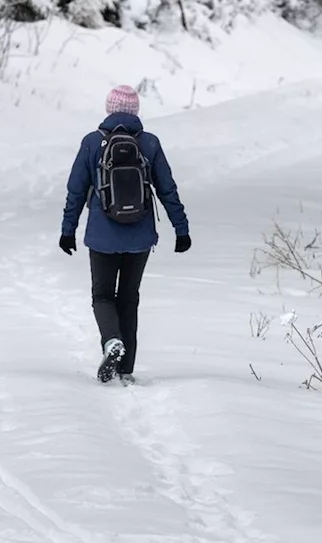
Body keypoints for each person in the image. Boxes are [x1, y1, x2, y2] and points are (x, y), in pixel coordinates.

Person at [60, 85, 190, 386]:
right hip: (140, 237)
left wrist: (68, 230)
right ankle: (126, 368)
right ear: (136, 111)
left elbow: (76, 190)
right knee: (129, 298)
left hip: (102, 237)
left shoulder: (92, 143)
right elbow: (167, 189)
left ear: (108, 109)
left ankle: (111, 341)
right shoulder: (150, 144)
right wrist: (181, 229)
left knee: (103, 295)